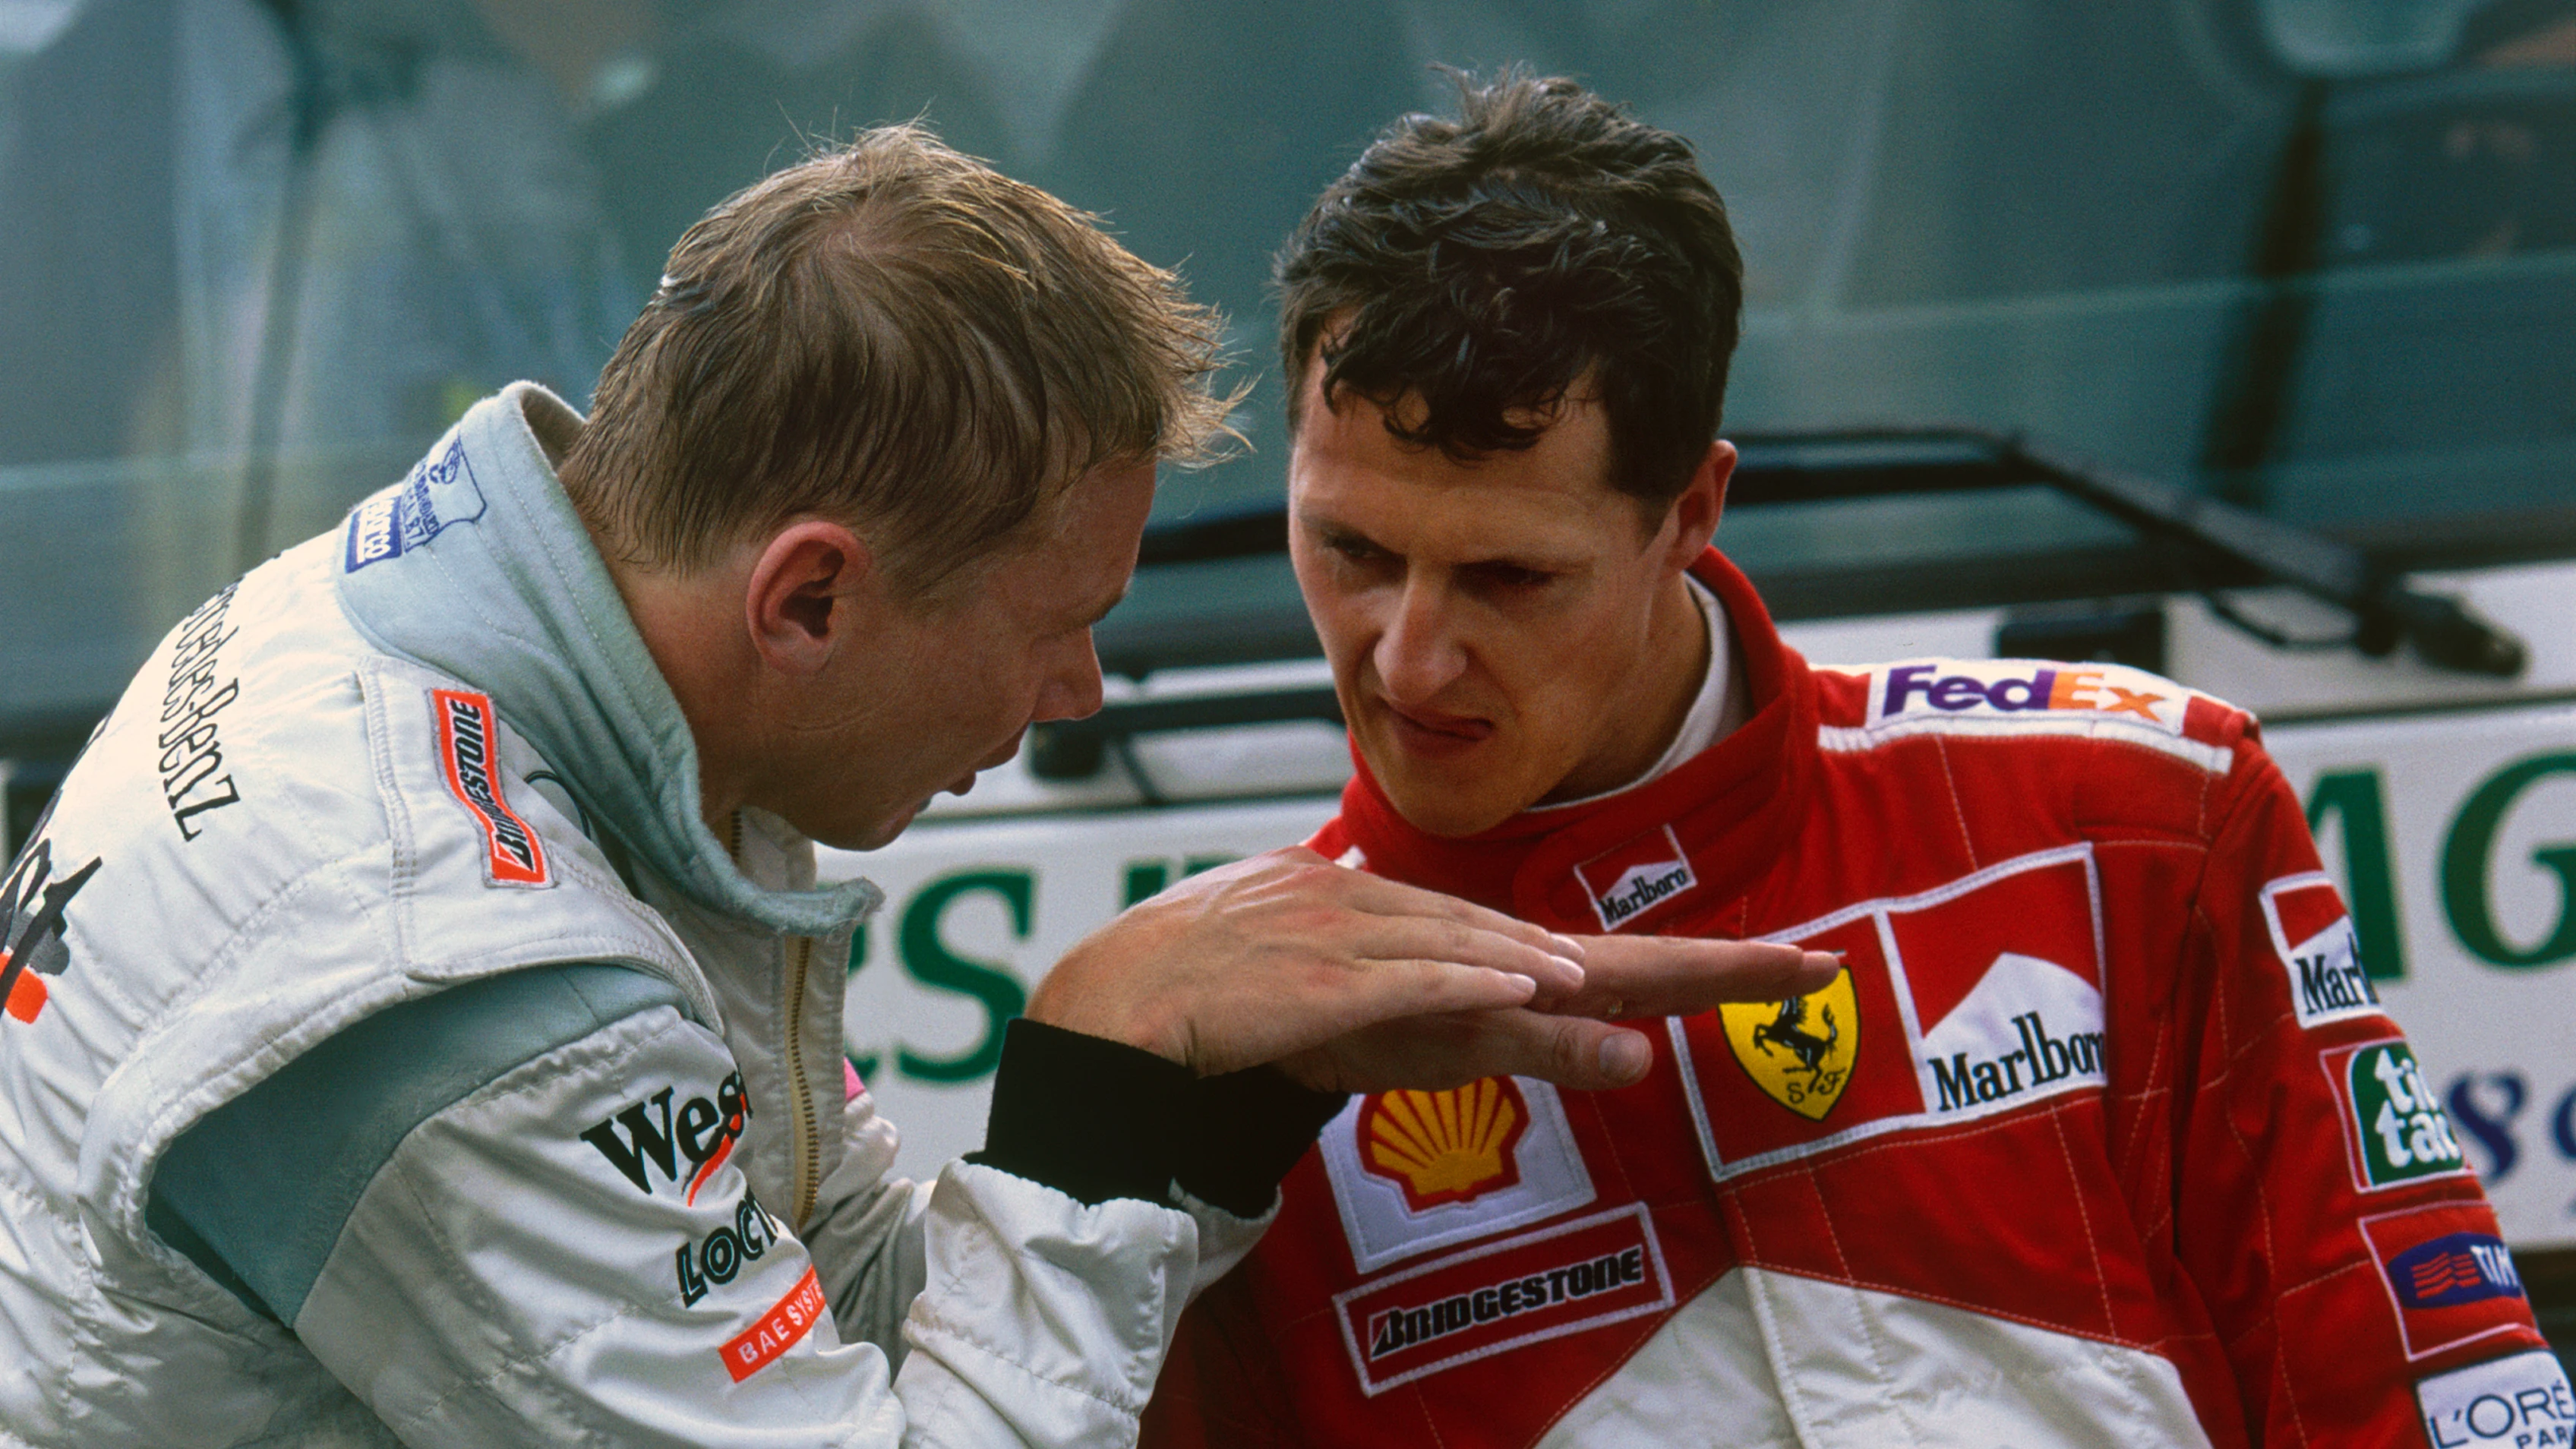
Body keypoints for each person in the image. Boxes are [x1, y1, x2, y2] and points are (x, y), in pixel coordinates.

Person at [0, 125, 1836, 1447]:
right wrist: (1087, 1101)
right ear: (808, 596)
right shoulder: (457, 980)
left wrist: (1198, 1102)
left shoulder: (497, 643)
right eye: (1055, 627)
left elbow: (838, 1303)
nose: (1079, 691)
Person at [1141, 72, 2569, 1447]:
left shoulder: (2133, 814)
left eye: (1510, 577)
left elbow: (2419, 1389)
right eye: (1352, 550)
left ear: (1692, 509)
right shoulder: (1215, 1047)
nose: (1405, 659)